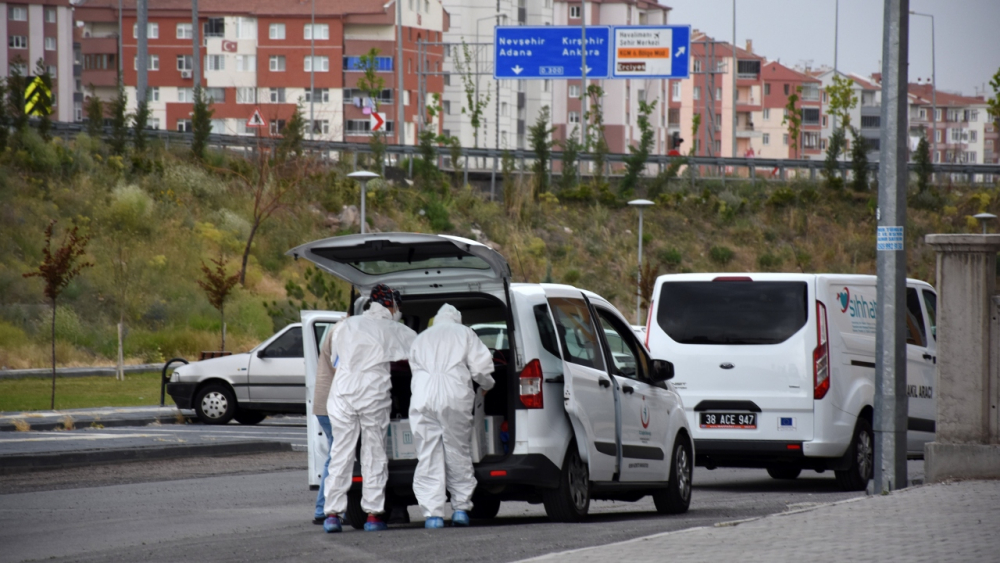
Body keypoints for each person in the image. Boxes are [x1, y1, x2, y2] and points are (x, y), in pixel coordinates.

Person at [322, 285, 416, 533]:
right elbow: (421, 351)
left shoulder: (345, 325)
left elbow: (334, 358)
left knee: (340, 452)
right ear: (391, 305)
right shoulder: (393, 328)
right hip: (372, 394)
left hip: (341, 393)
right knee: (374, 453)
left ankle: (332, 514)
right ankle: (373, 516)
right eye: (398, 306)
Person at [408, 304, 495, 528]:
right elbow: (481, 367)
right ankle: (460, 508)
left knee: (428, 453)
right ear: (456, 319)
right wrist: (487, 385)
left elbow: (414, 368)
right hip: (455, 394)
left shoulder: (421, 338)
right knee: (457, 450)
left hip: (423, 396)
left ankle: (433, 515)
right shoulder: (465, 333)